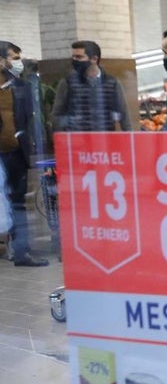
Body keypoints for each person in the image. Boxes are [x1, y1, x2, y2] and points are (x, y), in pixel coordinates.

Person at [0, 40, 47, 266]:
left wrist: (23, 140)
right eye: (12, 57)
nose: (17, 62)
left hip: (14, 152)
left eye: (19, 58)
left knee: (18, 201)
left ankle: (21, 251)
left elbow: (29, 118)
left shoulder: (21, 86)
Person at [52, 41, 131, 133]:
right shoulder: (67, 83)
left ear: (94, 59)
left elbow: (123, 114)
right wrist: (60, 138)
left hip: (105, 140)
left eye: (79, 57)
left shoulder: (112, 83)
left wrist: (129, 138)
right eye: (73, 57)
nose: (74, 60)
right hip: (77, 141)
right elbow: (57, 114)